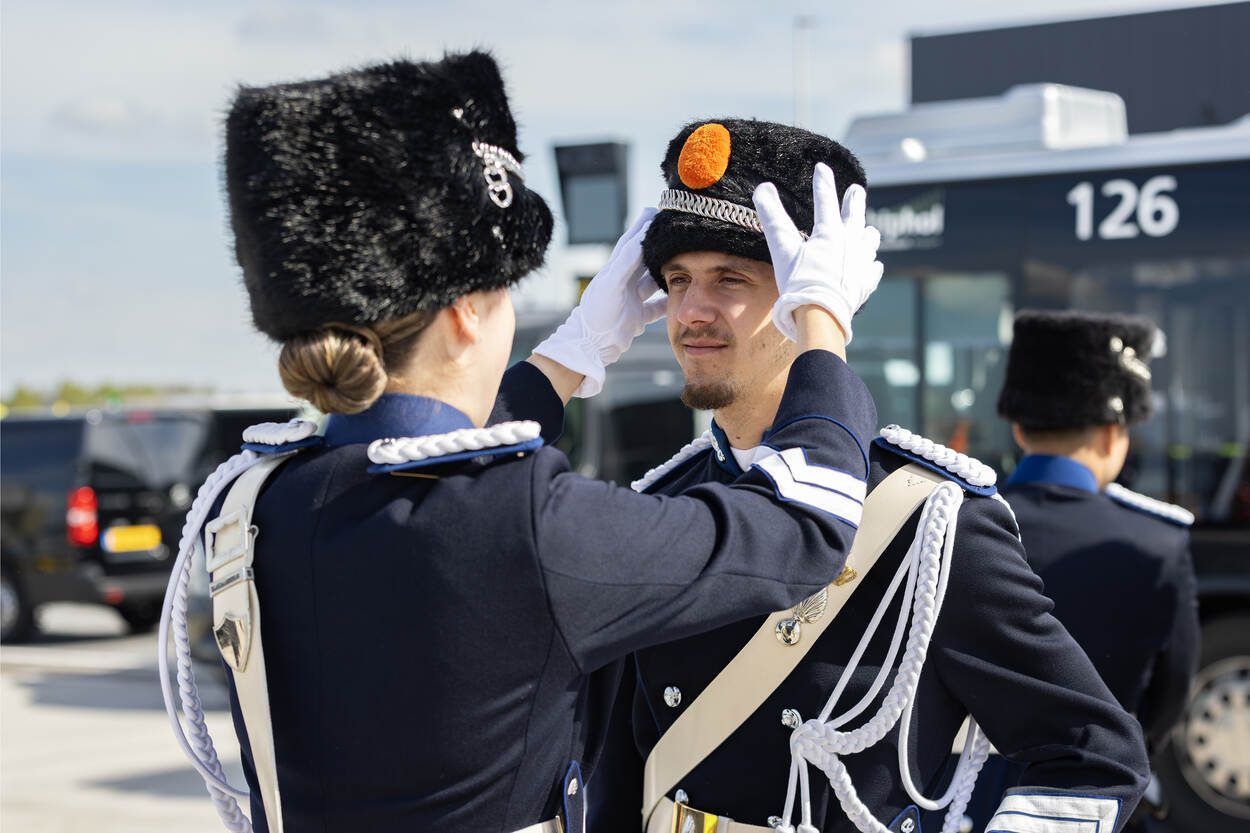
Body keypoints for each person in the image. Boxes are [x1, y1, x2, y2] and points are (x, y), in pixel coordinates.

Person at [164, 53, 888, 833]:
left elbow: (437, 478)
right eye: (504, 292)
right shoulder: (525, 523)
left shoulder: (257, 498)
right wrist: (822, 323)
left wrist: (571, 355)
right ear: (467, 313)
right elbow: (805, 521)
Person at [587, 118, 1151, 833]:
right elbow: (617, 770)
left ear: (809, 295)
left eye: (730, 279)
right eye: (676, 280)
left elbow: (1096, 756)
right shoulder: (664, 500)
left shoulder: (928, 521)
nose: (692, 311)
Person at [961, 310, 1200, 832]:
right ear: (1115, 434)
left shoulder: (954, 522)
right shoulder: (1159, 541)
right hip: (1100, 805)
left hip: (966, 803)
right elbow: (1172, 690)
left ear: (1019, 428)